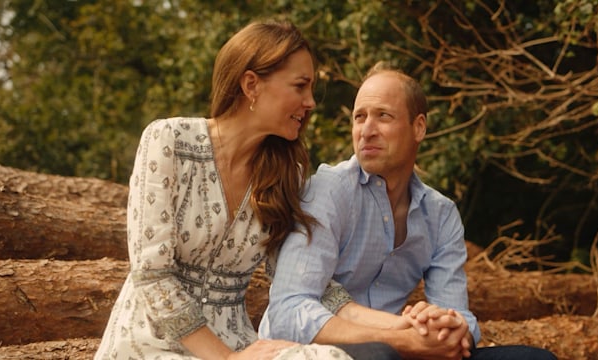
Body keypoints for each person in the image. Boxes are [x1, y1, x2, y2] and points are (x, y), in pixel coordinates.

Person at [95, 20, 399, 360]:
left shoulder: (287, 172)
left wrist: (399, 328)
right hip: (149, 343)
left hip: (238, 343)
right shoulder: (168, 140)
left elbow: (300, 274)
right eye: (301, 86)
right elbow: (152, 276)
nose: (311, 102)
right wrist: (228, 359)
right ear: (251, 84)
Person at [260, 63, 557, 360]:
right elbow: (289, 309)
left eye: (383, 116)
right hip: (325, 352)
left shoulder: (440, 215)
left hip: (405, 349)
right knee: (378, 355)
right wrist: (400, 339)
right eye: (359, 117)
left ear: (418, 127)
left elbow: (458, 314)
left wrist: (451, 327)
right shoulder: (328, 191)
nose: (367, 131)